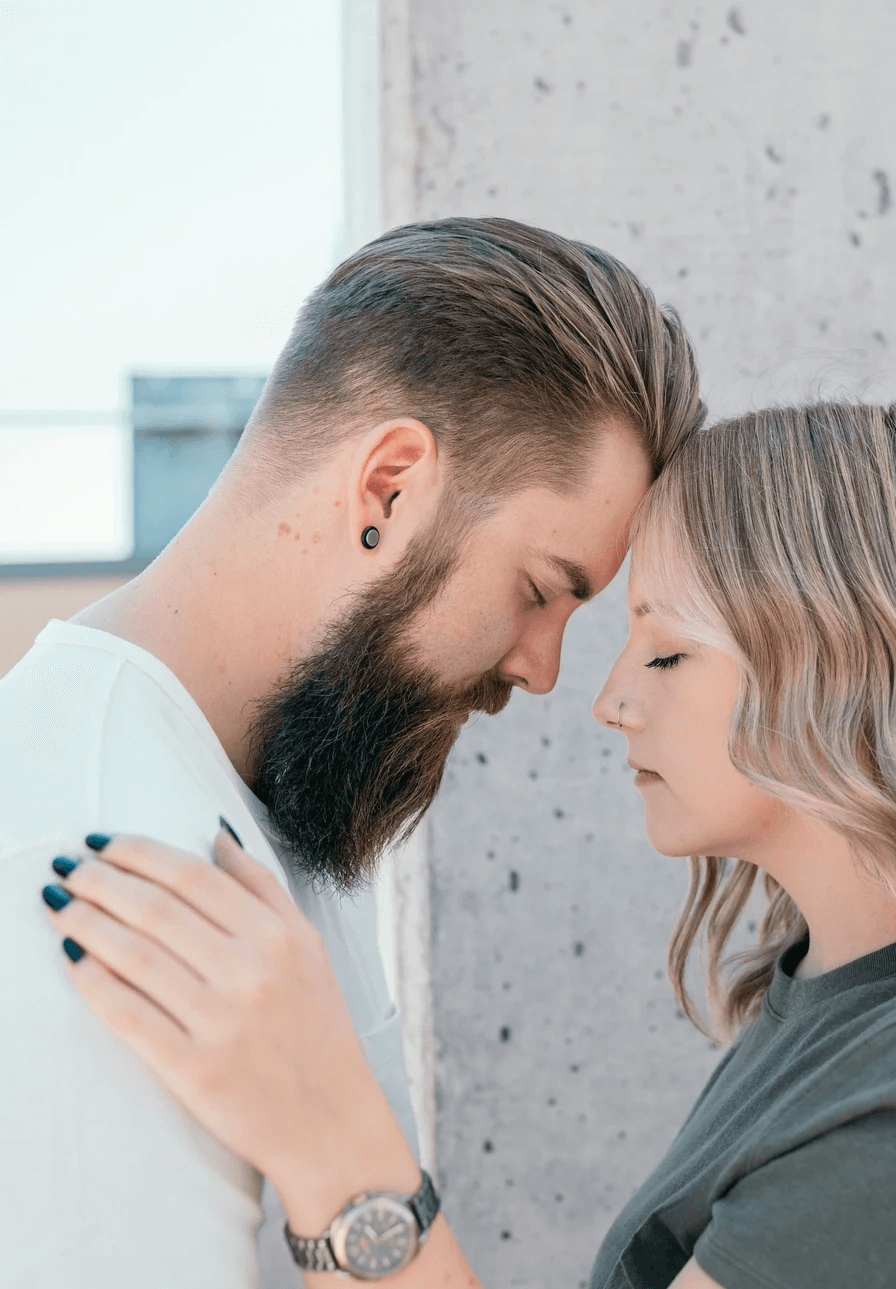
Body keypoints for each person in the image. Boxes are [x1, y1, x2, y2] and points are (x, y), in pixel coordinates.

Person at [37, 402, 896, 1288]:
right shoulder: (846, 1002)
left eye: (667, 649)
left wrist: (332, 1141)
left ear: (852, 669)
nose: (606, 700)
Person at [0, 216, 703, 1288]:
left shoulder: (280, 800)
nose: (544, 671)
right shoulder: (102, 858)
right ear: (388, 486)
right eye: (537, 591)